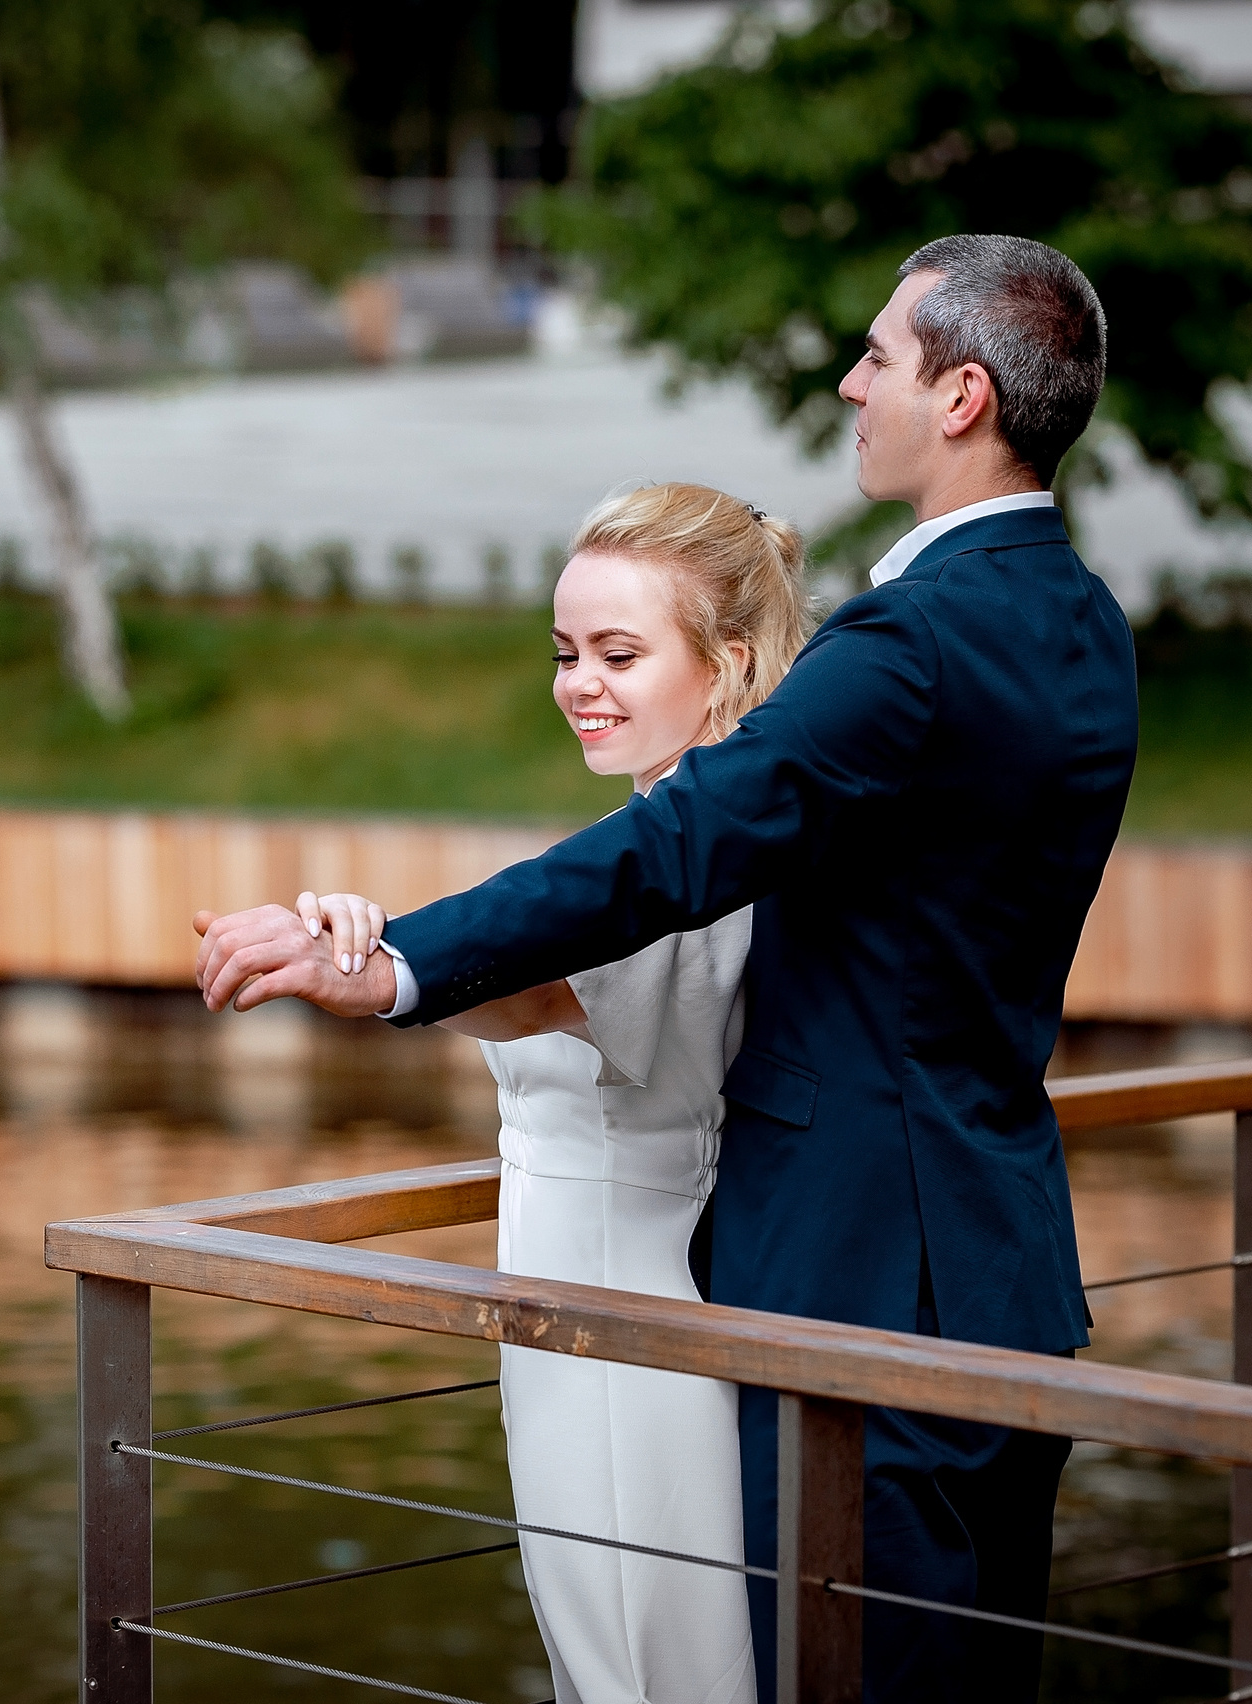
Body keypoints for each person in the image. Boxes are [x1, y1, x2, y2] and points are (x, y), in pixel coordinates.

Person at [195, 233, 1135, 1702]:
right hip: (1008, 1260)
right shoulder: (1081, 622)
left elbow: (672, 854)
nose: (850, 380)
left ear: (961, 396)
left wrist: (395, 965)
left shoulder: (912, 642)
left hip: (854, 1283)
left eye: (879, 355)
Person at [294, 482, 803, 1704]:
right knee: (610, 1644)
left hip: (627, 1316)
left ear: (727, 663)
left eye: (621, 654)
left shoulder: (693, 863)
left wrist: (372, 964)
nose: (581, 682)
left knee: (641, 1655)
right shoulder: (672, 836)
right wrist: (392, 959)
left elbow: (535, 996)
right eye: (568, 653)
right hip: (569, 1302)